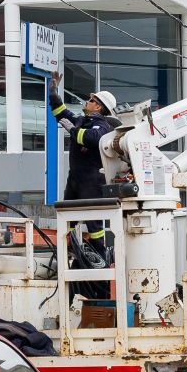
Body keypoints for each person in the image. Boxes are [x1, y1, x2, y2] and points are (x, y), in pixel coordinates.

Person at [50, 72, 116, 249]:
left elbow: (93, 138)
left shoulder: (103, 125)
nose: (88, 101)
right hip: (75, 179)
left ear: (99, 107)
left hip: (91, 181)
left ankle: (100, 256)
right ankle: (70, 252)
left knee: (93, 224)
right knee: (67, 216)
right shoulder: (82, 121)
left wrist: (73, 131)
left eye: (92, 100)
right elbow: (61, 113)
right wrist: (54, 94)